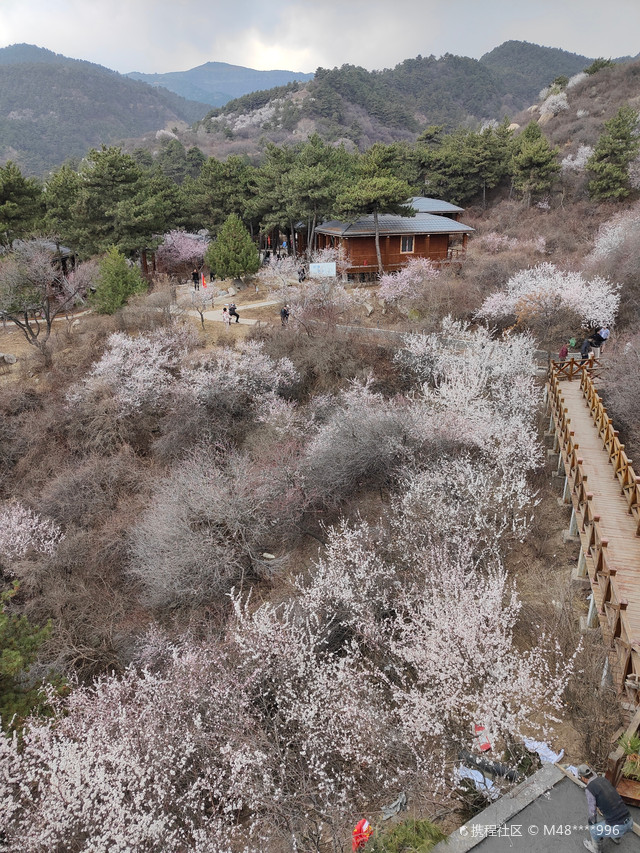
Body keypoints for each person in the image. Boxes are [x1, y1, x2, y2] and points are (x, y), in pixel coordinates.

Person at [578, 764, 634, 851]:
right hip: (630, 821)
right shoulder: (603, 780)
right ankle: (616, 838)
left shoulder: (590, 789)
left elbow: (592, 812)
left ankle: (596, 849)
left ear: (583, 778)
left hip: (619, 827)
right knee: (613, 818)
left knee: (593, 829)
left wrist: (592, 823)